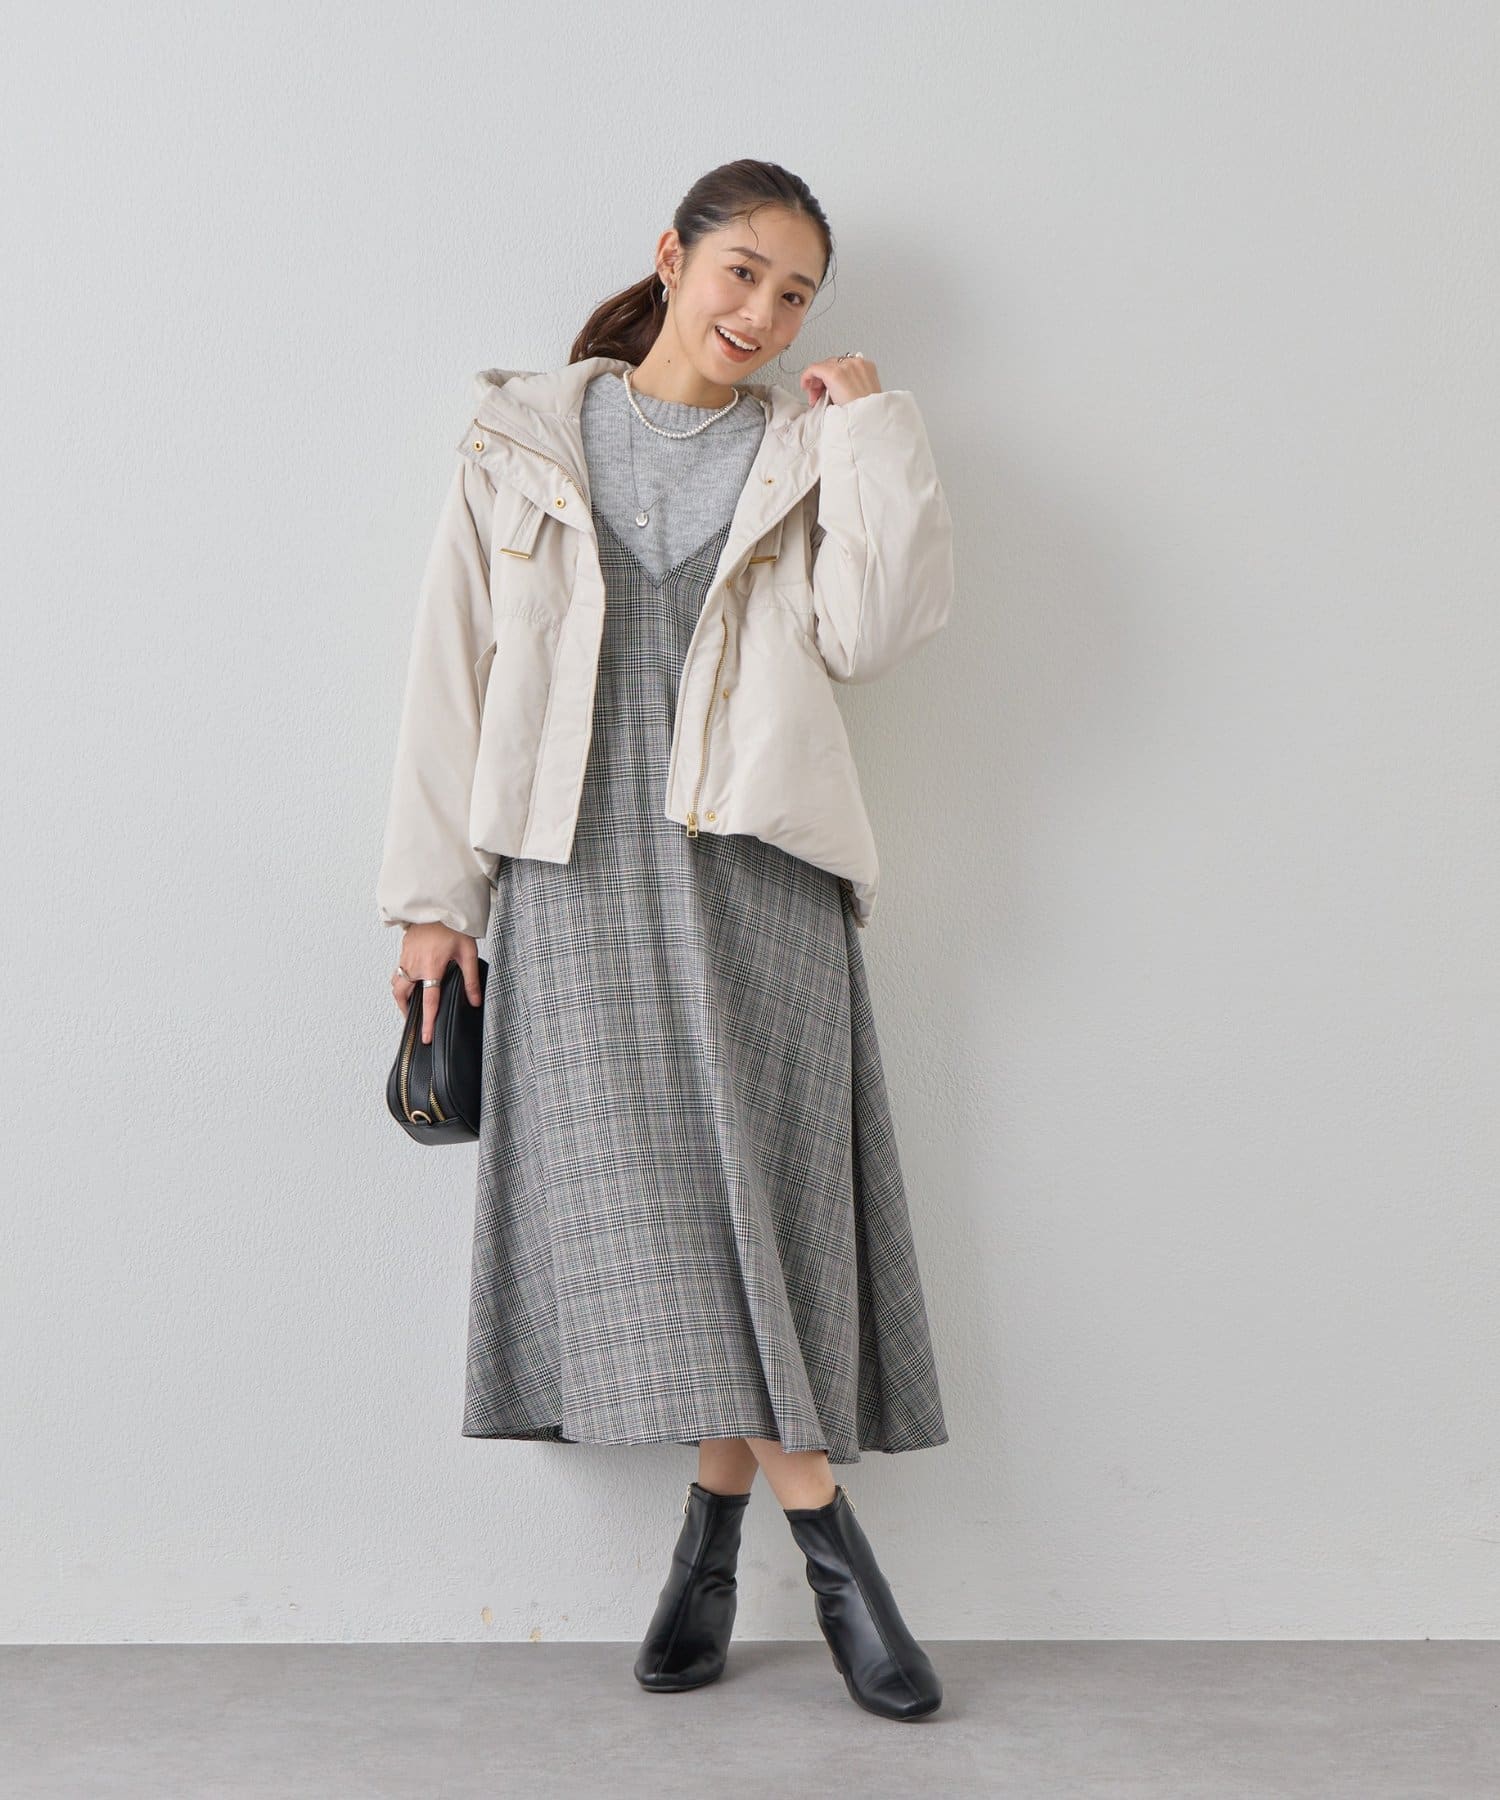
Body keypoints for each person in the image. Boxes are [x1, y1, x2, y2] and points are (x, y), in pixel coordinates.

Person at [376, 158, 955, 1721]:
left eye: (795, 292)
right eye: (743, 271)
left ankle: (709, 1547)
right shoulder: (525, 440)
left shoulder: (806, 450)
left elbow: (875, 633)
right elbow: (451, 669)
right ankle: (834, 1563)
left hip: (761, 872)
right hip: (575, 879)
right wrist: (434, 901)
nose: (763, 309)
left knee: (757, 1212)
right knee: (672, 1218)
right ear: (673, 259)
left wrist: (872, 434)